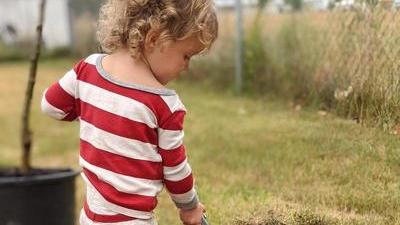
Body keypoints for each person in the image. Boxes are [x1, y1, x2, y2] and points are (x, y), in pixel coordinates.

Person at [40, 0, 218, 224]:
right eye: (186, 56)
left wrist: (94, 114)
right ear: (155, 38)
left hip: (90, 217)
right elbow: (175, 170)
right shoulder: (164, 104)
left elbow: (50, 105)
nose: (186, 67)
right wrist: (190, 208)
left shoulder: (87, 69)